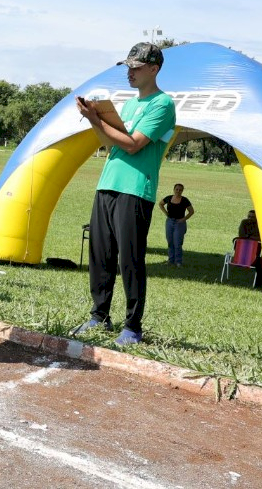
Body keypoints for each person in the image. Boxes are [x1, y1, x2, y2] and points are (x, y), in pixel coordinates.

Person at [73, 42, 177, 346]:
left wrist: (96, 119)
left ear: (154, 69)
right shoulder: (129, 105)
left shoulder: (162, 104)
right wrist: (96, 119)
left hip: (135, 189)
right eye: (128, 67)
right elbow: (110, 142)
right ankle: (99, 317)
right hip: (107, 184)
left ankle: (132, 327)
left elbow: (133, 144)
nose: (129, 72)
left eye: (136, 67)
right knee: (100, 256)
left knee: (130, 260)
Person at [158, 183, 194, 266]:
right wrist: (166, 213)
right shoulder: (169, 198)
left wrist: (183, 219)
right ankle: (170, 260)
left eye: (180, 190)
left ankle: (178, 262)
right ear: (174, 190)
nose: (178, 191)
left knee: (177, 243)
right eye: (176, 189)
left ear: (182, 191)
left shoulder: (185, 200)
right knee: (170, 242)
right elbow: (160, 204)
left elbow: (191, 211)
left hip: (179, 223)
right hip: (170, 222)